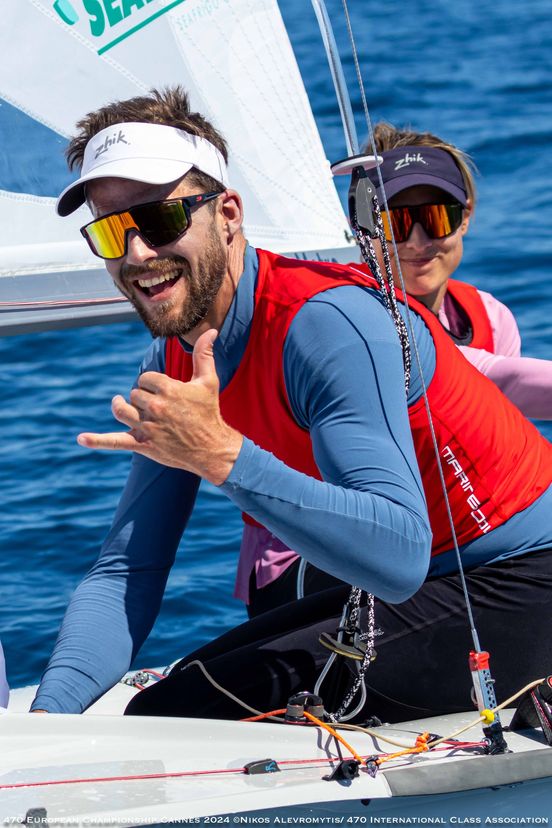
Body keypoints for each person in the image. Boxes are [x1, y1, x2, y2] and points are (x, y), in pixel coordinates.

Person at [31, 87, 552, 723]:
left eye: (161, 219)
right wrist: (46, 731)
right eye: (114, 230)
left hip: (520, 576)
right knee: (167, 701)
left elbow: (399, 557)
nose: (137, 253)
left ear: (227, 214)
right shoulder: (172, 364)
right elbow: (129, 569)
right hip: (429, 588)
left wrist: (224, 456)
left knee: (184, 712)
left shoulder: (324, 324)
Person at [365, 122, 551, 421]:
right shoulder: (351, 315)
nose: (417, 242)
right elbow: (493, 377)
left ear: (466, 216)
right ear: (363, 230)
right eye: (393, 224)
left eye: (436, 217)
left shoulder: (492, 318)